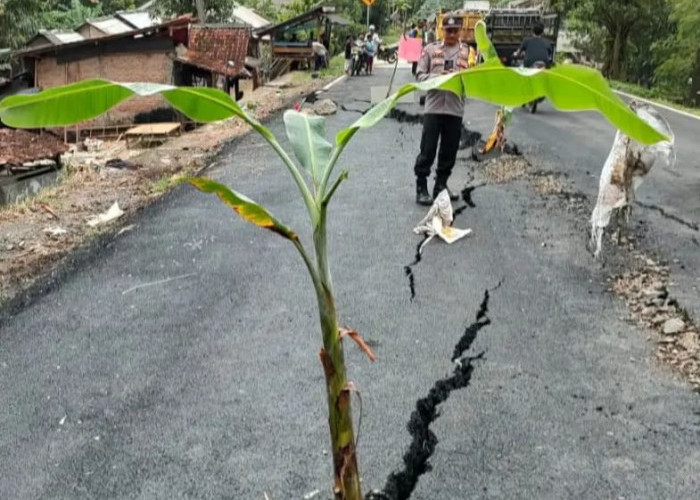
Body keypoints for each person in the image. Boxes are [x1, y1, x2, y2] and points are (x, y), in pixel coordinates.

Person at [412, 13, 471, 206]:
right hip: (434, 108)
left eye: (455, 30)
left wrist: (460, 78)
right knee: (427, 150)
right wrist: (438, 79)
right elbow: (419, 76)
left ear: (460, 31)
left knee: (449, 152)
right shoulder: (430, 50)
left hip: (455, 110)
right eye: (448, 30)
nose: (452, 34)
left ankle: (441, 185)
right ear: (442, 30)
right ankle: (421, 187)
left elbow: (474, 80)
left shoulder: (468, 53)